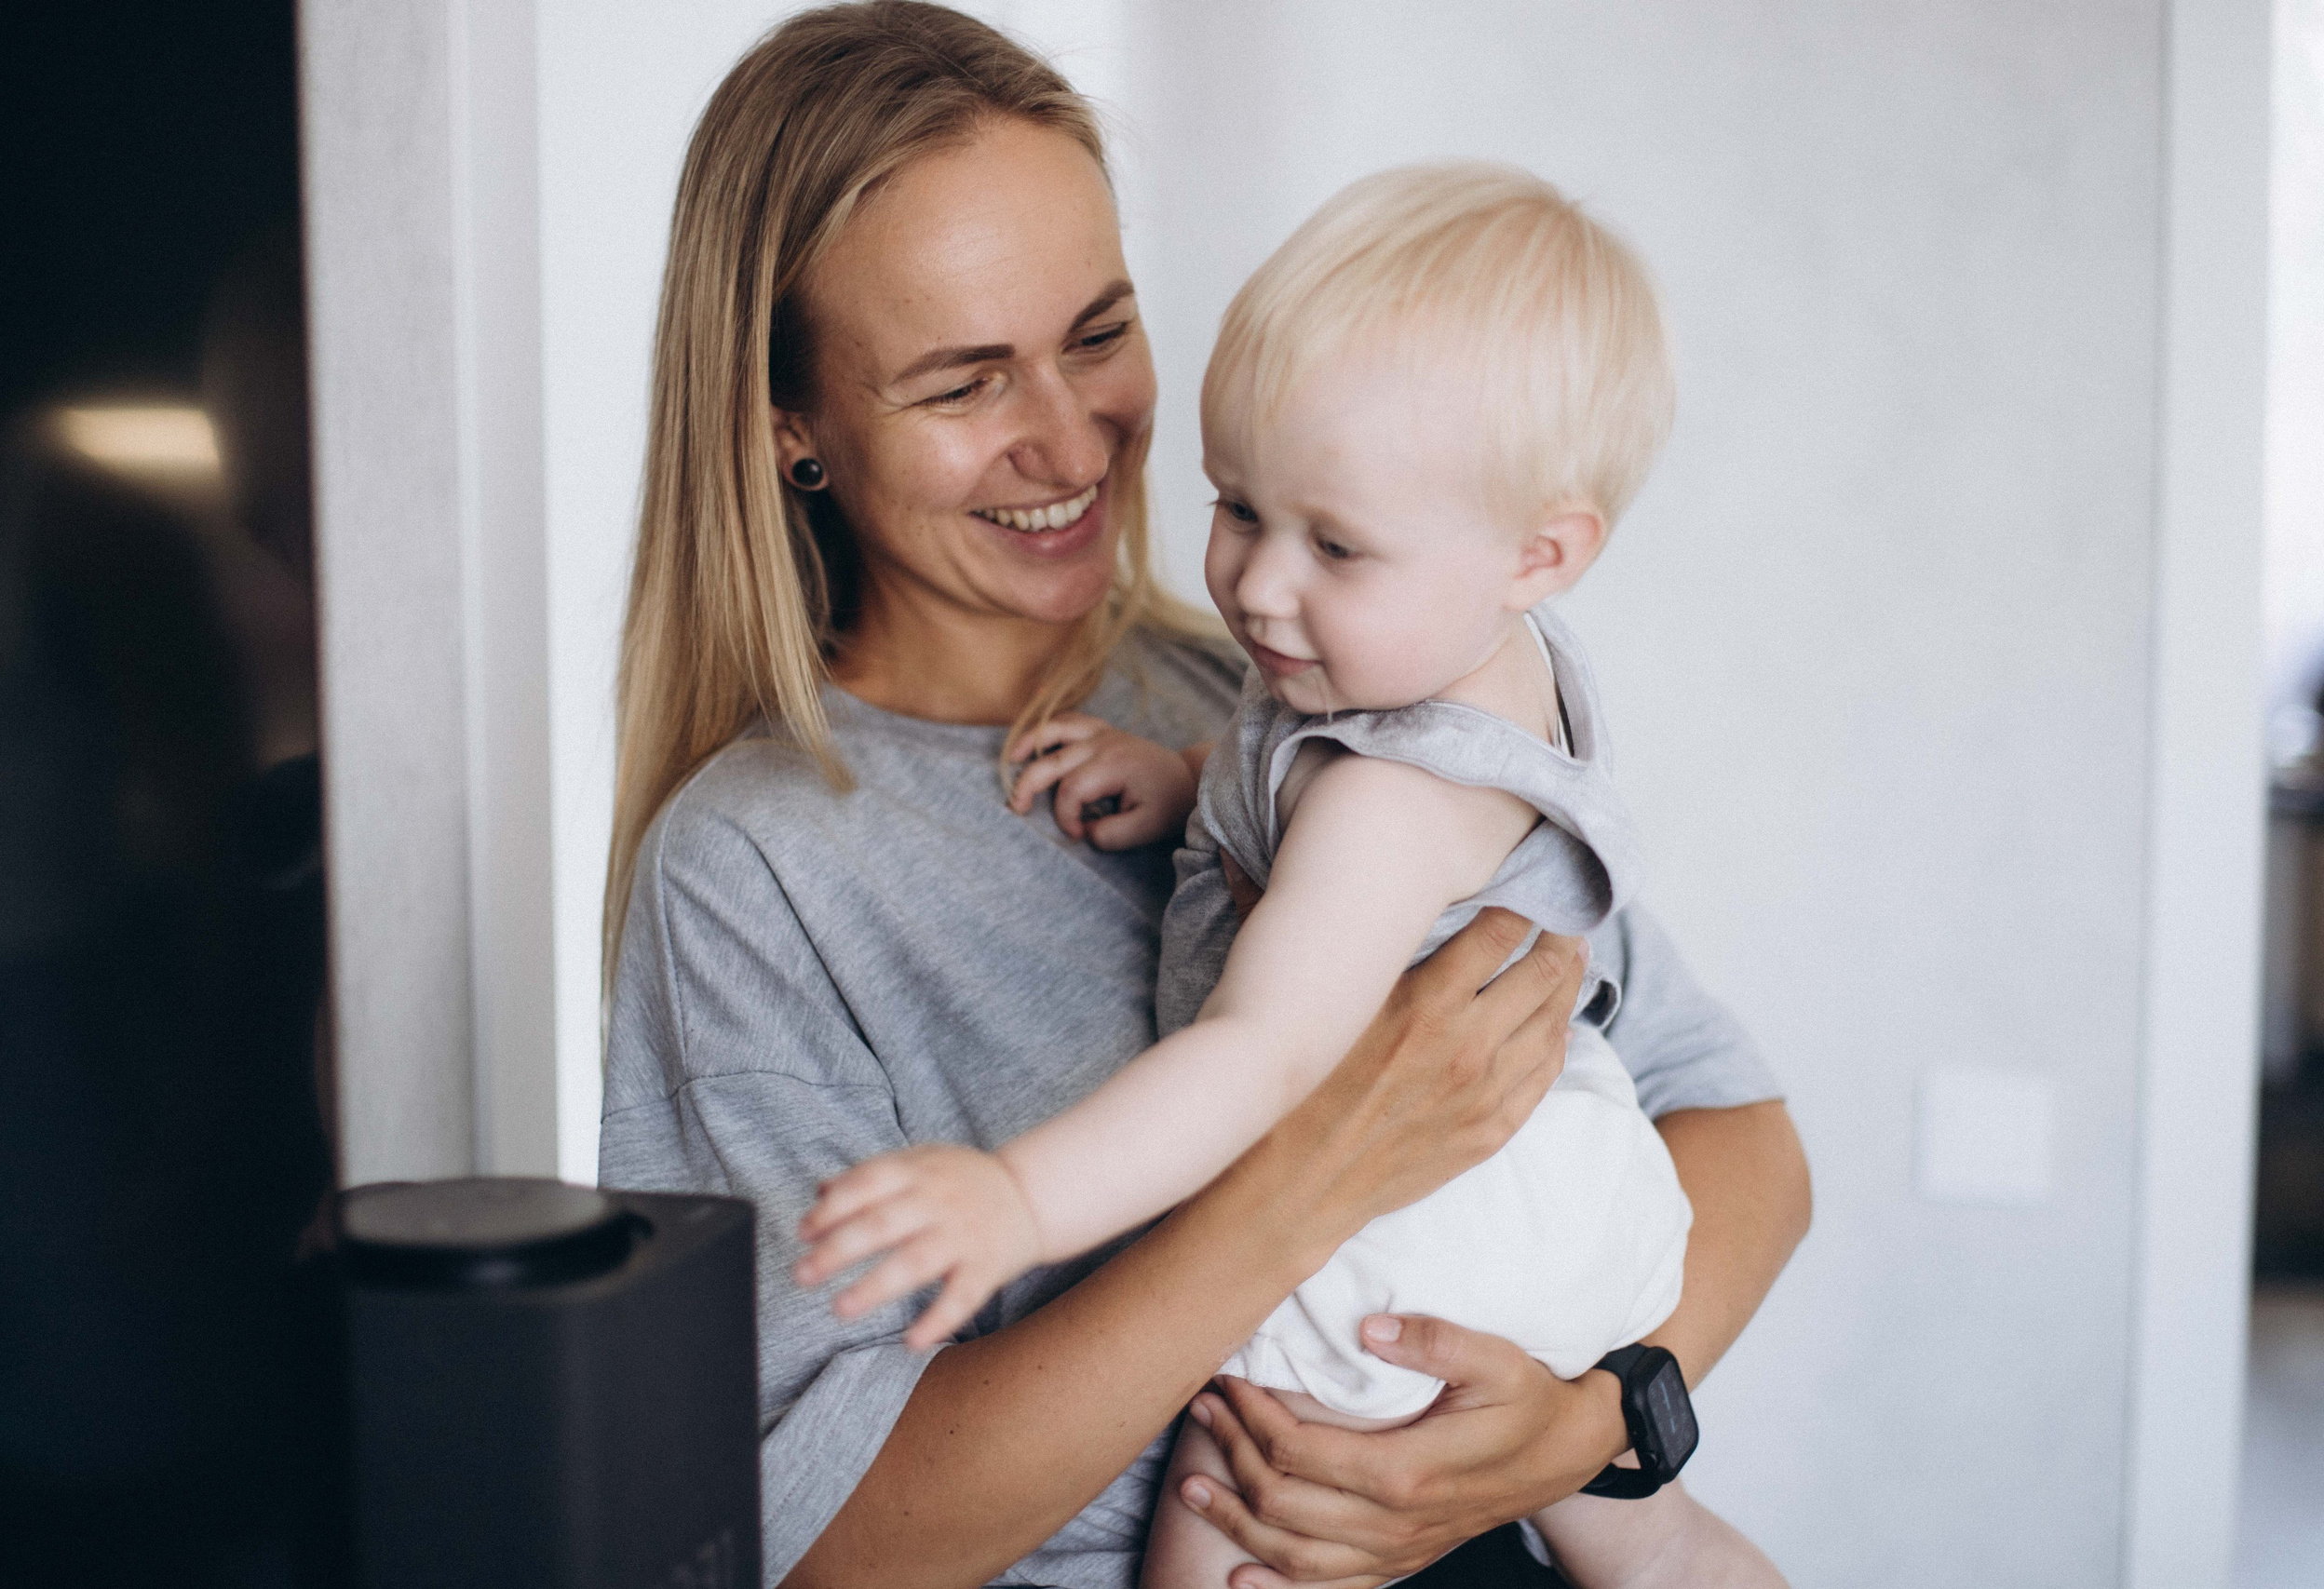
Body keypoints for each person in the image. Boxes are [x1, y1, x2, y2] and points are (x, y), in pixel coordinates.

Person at [597, 6, 1810, 1586]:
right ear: (793, 427)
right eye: (964, 383)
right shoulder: (755, 868)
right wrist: (1316, 1178)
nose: (1069, 435)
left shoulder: (1291, 693)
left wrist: (1584, 1432)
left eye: (1097, 334)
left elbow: (1744, 1141)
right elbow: (815, 1543)